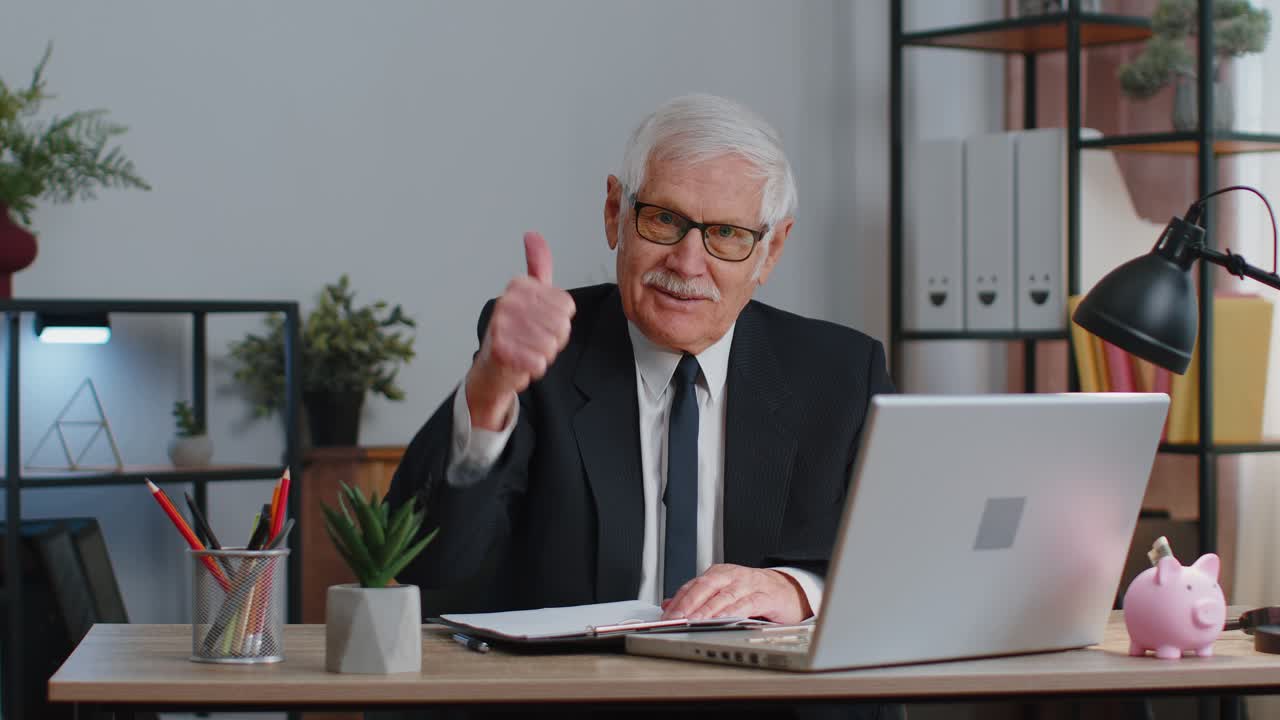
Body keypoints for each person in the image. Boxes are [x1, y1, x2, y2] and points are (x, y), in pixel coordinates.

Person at [386, 94, 896, 717]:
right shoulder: (543, 355)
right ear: (614, 214)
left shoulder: (839, 373)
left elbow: (901, 572)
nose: (688, 262)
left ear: (772, 250)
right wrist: (492, 386)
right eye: (663, 221)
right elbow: (425, 561)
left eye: (727, 235)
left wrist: (795, 589)